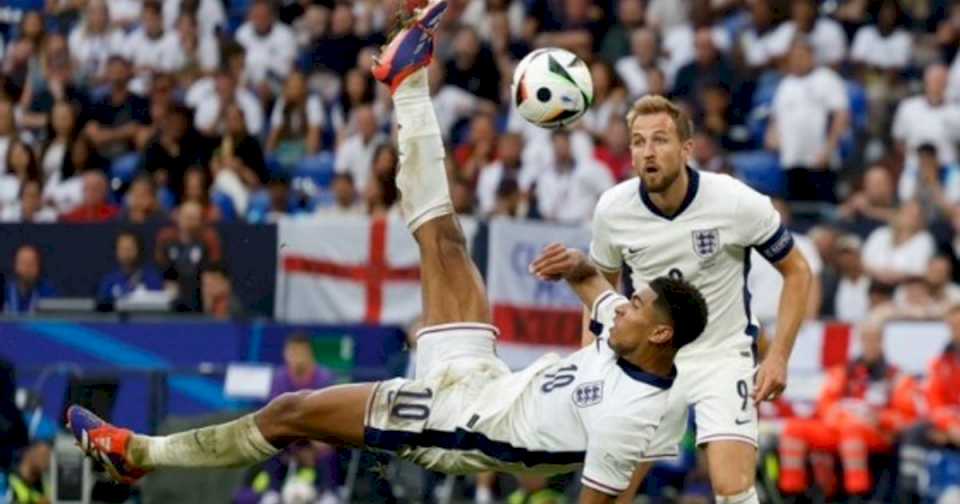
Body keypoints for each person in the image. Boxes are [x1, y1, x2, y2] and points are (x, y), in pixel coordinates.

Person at [67, 5, 709, 503]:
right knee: (446, 238)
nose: (624, 305)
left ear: (660, 332)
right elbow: (600, 294)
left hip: (452, 426)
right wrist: (580, 271)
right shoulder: (627, 331)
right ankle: (408, 78)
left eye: (638, 305)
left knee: (291, 414)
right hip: (484, 378)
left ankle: (138, 452)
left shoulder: (635, 415)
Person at [588, 94, 813, 504]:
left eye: (660, 140)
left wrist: (778, 355)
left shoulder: (735, 201)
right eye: (638, 142)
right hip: (649, 360)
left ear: (686, 149)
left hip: (722, 355)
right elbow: (597, 293)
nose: (648, 152)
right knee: (612, 493)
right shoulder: (613, 210)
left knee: (732, 489)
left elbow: (798, 271)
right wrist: (589, 366)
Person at [778, 320, 919, 499]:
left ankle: (856, 494)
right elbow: (825, 404)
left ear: (882, 341)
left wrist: (880, 418)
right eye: (865, 339)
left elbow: (908, 417)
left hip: (876, 432)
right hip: (839, 427)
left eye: (874, 339)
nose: (869, 344)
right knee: (793, 429)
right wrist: (843, 417)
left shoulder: (896, 377)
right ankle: (792, 493)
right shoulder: (844, 372)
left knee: (852, 432)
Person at [96, 231, 164, 308]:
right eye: (122, 248)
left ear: (139, 250)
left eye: (130, 248)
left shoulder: (152, 278)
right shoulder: (109, 280)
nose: (126, 253)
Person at [3, 245, 57, 315]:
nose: (27, 268)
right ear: (15, 266)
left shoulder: (47, 290)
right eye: (23, 263)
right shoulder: (5, 289)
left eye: (31, 264)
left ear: (38, 267)